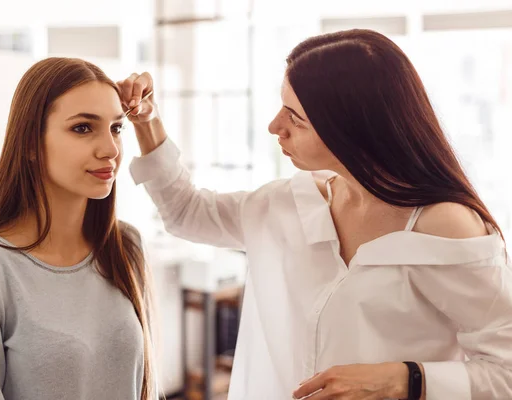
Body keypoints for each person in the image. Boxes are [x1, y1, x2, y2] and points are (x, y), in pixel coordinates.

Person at [119, 29, 512, 400]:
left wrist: (403, 379)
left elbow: (505, 371)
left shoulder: (444, 228)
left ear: (353, 130)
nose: (275, 126)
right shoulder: (289, 203)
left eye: (295, 117)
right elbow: (186, 211)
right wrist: (146, 121)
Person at [0, 57, 156, 400]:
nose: (110, 149)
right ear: (30, 143)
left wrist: (150, 121)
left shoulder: (125, 246)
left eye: (116, 128)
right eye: (83, 128)